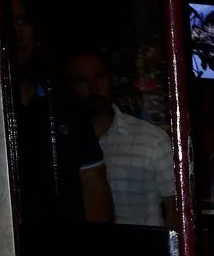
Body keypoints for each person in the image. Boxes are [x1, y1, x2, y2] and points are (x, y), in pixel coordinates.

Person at [7, 0, 113, 224]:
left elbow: (94, 192)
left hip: (65, 252)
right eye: (6, 20)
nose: (16, 31)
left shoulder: (65, 105)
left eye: (23, 21)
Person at [63, 53, 176, 227]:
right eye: (82, 80)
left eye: (99, 77)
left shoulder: (152, 141)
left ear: (110, 82)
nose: (93, 87)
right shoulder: (61, 144)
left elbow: (175, 210)